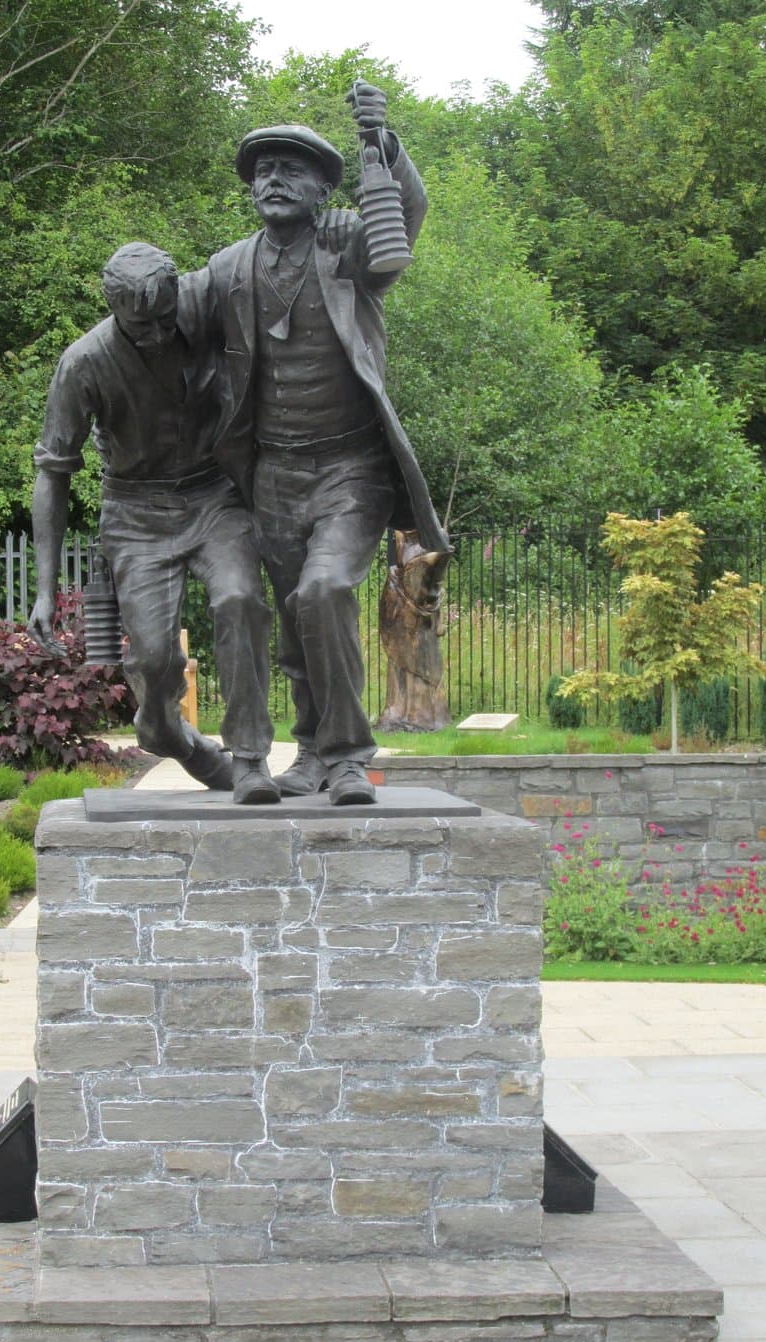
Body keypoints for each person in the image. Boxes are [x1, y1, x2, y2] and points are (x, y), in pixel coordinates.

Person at [192, 82, 450, 805]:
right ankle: (309, 753)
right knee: (295, 619)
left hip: (350, 465)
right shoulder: (227, 268)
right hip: (271, 471)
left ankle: (347, 757)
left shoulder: (348, 251)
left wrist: (384, 146)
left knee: (326, 588)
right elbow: (171, 321)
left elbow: (410, 215)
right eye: (263, 170)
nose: (274, 180)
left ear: (322, 189)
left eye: (292, 169)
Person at [28, 242, 279, 805]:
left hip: (215, 494)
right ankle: (168, 732)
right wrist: (45, 591)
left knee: (241, 600)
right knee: (154, 661)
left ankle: (250, 758)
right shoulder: (84, 362)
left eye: (168, 318)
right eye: (146, 328)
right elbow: (52, 472)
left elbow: (263, 267)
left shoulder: (202, 300)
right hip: (136, 513)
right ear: (116, 312)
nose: (162, 333)